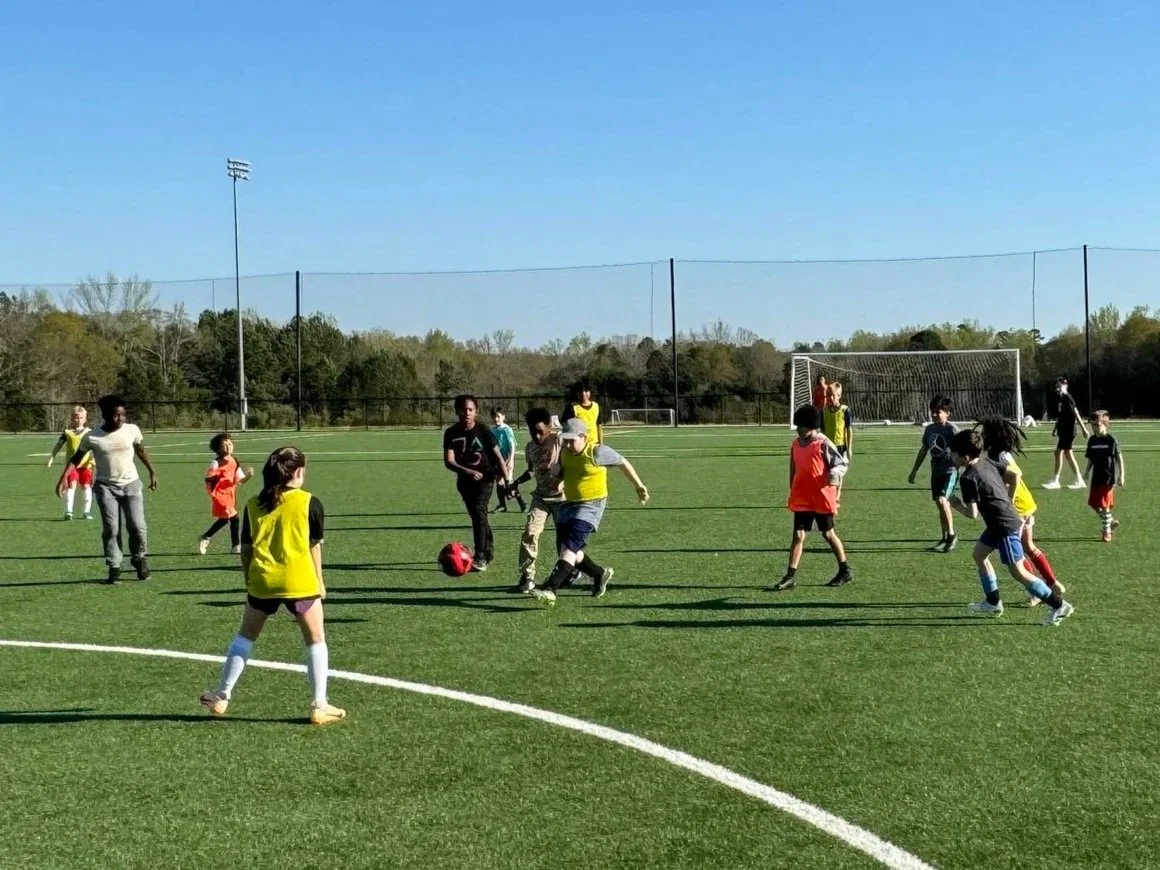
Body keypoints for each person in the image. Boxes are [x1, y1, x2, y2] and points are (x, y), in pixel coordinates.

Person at [199, 447, 345, 726]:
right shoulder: (310, 502)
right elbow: (314, 547)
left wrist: (249, 580)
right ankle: (319, 704)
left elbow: (246, 549)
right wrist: (320, 582)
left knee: (244, 638)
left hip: (262, 581)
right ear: (298, 472)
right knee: (315, 640)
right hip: (300, 581)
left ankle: (221, 695)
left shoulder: (253, 504)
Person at [948, 429, 1074, 626]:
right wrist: (1008, 500)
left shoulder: (968, 478)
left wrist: (955, 504)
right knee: (979, 555)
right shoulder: (987, 463)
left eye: (953, 453)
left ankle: (1059, 605)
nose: (950, 455)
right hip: (998, 524)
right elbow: (1015, 475)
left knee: (1018, 572)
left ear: (964, 456)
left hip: (1004, 526)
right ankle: (993, 603)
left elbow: (972, 514)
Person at [528, 418, 648, 605]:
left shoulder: (597, 452)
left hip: (591, 506)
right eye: (565, 440)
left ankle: (551, 588)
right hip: (569, 504)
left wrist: (639, 486)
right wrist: (557, 473)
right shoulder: (566, 452)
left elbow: (623, 463)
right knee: (570, 551)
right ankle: (599, 573)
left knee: (569, 547)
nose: (567, 444)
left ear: (583, 437)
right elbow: (563, 473)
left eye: (572, 440)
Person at [55, 395, 157, 585]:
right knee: (112, 528)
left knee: (137, 526)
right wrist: (63, 478)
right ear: (105, 415)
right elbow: (76, 459)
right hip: (105, 487)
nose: (120, 419)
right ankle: (114, 566)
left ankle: (139, 558)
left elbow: (140, 450)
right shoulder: (92, 436)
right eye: (116, 415)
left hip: (132, 485)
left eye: (123, 415)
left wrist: (152, 472)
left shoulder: (132, 430)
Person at [976, 416, 1066, 606]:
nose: (982, 436)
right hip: (1026, 502)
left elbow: (1016, 476)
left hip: (1017, 507)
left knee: (1018, 555)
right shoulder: (1002, 452)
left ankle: (1039, 592)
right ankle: (1053, 584)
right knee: (1028, 546)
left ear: (992, 435)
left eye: (985, 433)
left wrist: (1008, 501)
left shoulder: (997, 455)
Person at [770, 405, 851, 592]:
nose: (798, 430)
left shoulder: (823, 444)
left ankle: (845, 570)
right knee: (798, 535)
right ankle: (790, 576)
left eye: (802, 427)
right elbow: (793, 468)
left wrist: (834, 474)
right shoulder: (796, 444)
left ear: (813, 427)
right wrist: (792, 488)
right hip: (802, 497)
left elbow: (841, 463)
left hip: (821, 497)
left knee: (828, 534)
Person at [442, 394, 511, 572]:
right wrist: (467, 471)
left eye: (470, 410)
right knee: (478, 517)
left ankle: (480, 556)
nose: (467, 413)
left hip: (485, 480)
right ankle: (488, 550)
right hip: (465, 483)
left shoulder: (484, 431)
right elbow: (449, 461)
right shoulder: (451, 433)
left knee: (479, 514)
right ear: (457, 411)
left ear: (476, 412)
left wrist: (507, 482)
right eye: (463, 410)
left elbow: (499, 458)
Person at [508, 407, 565, 594]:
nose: (537, 436)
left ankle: (569, 571)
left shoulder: (559, 442)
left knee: (565, 540)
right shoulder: (530, 447)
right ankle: (527, 577)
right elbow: (532, 471)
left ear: (549, 428)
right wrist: (515, 483)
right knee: (530, 533)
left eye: (541, 432)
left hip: (562, 498)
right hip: (540, 498)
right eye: (533, 432)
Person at [907, 396, 959, 552]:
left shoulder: (952, 430)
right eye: (933, 412)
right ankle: (944, 537)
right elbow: (924, 450)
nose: (934, 414)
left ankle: (951, 535)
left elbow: (964, 448)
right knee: (940, 505)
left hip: (950, 471)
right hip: (936, 471)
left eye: (938, 412)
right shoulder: (930, 429)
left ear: (948, 413)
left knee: (943, 501)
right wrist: (914, 471)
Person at [198, 433, 255, 555]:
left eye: (230, 444)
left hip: (230, 494)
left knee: (230, 518)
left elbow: (240, 480)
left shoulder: (234, 461)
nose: (229, 447)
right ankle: (229, 544)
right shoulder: (216, 463)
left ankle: (211, 538)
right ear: (218, 449)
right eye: (225, 445)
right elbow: (209, 478)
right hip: (219, 494)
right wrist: (213, 489)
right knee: (231, 516)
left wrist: (248, 476)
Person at [47, 405, 94, 520]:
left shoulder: (90, 432)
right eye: (76, 417)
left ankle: (86, 512)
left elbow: (95, 448)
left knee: (86, 486)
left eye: (81, 417)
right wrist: (52, 457)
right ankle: (69, 511)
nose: (79, 420)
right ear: (72, 418)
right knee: (71, 485)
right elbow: (58, 445)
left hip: (85, 465)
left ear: (85, 418)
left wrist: (93, 460)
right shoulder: (68, 432)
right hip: (71, 466)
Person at [1084, 410, 1124, 542]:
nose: (1095, 428)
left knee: (1104, 505)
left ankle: (1107, 532)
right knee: (1093, 504)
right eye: (1093, 425)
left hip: (1108, 478)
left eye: (1097, 425)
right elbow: (1090, 459)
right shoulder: (1092, 440)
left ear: (1105, 424)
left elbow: (1119, 458)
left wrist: (1121, 475)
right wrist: (1086, 472)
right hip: (1096, 477)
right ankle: (1110, 521)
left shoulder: (1111, 440)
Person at [1043, 377, 1089, 489]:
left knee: (1058, 452)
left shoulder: (1067, 398)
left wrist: (1084, 429)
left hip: (1069, 430)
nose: (1057, 388)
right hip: (1063, 429)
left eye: (1059, 386)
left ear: (1064, 386)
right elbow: (1061, 415)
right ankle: (1079, 480)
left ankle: (1056, 480)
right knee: (1067, 453)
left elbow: (1076, 414)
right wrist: (1055, 427)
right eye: (1056, 386)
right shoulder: (1061, 398)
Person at [490, 407, 526, 513]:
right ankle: (502, 505)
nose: (496, 419)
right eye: (494, 416)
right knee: (499, 481)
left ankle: (522, 504)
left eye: (498, 416)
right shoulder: (493, 430)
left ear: (503, 417)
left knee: (509, 483)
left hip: (507, 459)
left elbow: (512, 445)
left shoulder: (507, 429)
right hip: (498, 460)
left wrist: (510, 460)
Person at [561, 379, 604, 444]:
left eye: (586, 391)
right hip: (578, 444)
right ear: (576, 393)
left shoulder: (596, 406)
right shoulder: (572, 407)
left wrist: (601, 444)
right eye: (580, 391)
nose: (583, 394)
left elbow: (599, 426)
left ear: (590, 392)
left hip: (594, 443)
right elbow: (564, 425)